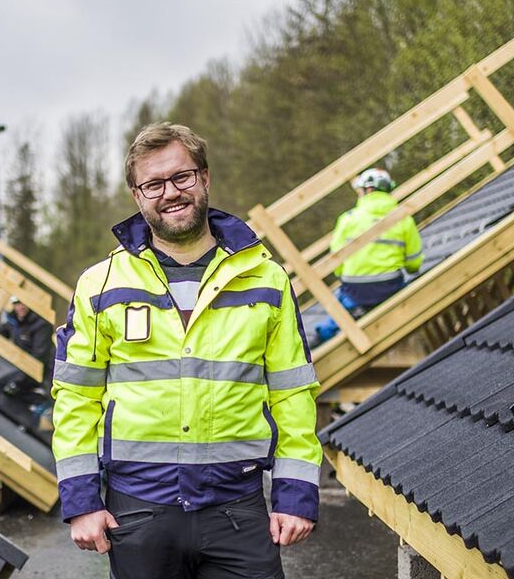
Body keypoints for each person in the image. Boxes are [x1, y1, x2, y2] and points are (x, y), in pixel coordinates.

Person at [52, 122, 321, 578]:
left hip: (237, 509)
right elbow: (76, 399)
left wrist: (296, 496)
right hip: (138, 513)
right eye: (153, 184)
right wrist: (80, 504)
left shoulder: (267, 279)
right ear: (137, 196)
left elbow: (292, 394)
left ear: (205, 178)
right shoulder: (99, 285)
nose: (170, 192)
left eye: (182, 177)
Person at [311, 168, 423, 345]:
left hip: (356, 291)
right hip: (389, 287)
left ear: (368, 190)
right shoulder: (403, 218)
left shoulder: (348, 219)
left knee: (340, 308)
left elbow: (337, 264)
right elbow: (414, 263)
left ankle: (320, 338)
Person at [0, 296, 54, 415]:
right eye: (17, 303)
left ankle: (42, 404)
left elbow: (40, 357)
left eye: (23, 303)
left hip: (45, 371)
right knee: (0, 385)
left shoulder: (41, 324)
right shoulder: (14, 321)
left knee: (13, 388)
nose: (20, 307)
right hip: (27, 370)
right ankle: (18, 419)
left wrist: (19, 380)